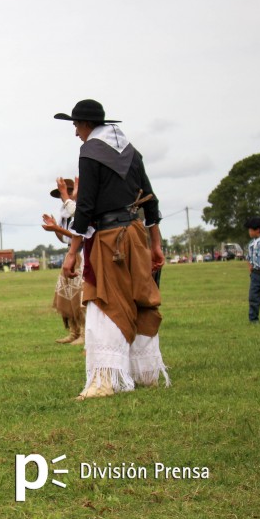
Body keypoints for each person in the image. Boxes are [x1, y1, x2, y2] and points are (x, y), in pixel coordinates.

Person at [54, 99, 169, 400]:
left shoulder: (90, 151)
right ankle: (145, 373)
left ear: (86, 124)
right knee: (140, 299)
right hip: (135, 235)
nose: (76, 132)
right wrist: (155, 243)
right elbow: (150, 199)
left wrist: (71, 252)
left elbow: (86, 207)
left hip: (108, 240)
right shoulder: (132, 152)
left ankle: (104, 381)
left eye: (76, 125)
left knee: (104, 303)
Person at [42, 177, 85, 345]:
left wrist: (56, 228)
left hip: (81, 254)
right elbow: (64, 238)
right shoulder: (64, 212)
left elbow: (79, 236)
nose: (62, 196)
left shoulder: (80, 209)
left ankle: (84, 333)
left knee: (80, 296)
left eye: (65, 192)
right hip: (71, 253)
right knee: (66, 295)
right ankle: (74, 331)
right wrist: (55, 228)